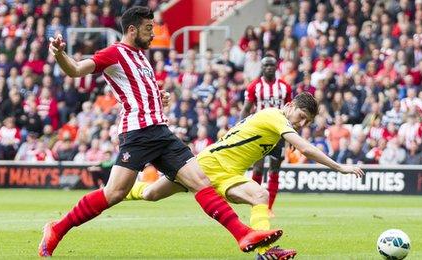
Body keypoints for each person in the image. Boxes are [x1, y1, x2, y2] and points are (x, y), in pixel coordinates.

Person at [39, 7, 282, 257]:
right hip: (138, 133)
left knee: (201, 182)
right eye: (148, 29)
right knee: (114, 193)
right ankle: (57, 229)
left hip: (161, 132)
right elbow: (76, 69)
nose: (153, 34)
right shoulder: (113, 53)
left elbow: (140, 89)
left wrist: (158, 97)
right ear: (132, 30)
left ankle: (243, 234)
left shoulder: (143, 58)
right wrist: (59, 54)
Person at [125, 93, 364, 259]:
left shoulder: (276, 122)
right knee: (150, 193)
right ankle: (118, 191)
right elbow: (306, 148)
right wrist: (340, 167)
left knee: (259, 195)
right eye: (301, 116)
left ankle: (265, 252)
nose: (301, 123)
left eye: (306, 122)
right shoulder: (275, 116)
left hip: (228, 173)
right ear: (290, 104)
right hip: (210, 164)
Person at [240, 55, 293, 217]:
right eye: (266, 65)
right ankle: (257, 205)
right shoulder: (254, 86)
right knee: (258, 167)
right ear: (262, 68)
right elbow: (246, 109)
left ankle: (269, 207)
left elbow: (290, 111)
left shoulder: (285, 87)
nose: (269, 68)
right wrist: (241, 129)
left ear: (276, 67)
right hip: (259, 133)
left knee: (275, 169)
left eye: (272, 65)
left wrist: (291, 133)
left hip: (279, 134)